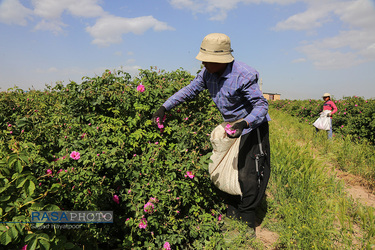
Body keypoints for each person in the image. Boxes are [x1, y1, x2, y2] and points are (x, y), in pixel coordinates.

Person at [152, 33, 271, 236]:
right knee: (228, 168)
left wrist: (245, 123)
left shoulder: (243, 75)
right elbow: (189, 90)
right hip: (230, 127)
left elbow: (261, 105)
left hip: (251, 126)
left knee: (249, 171)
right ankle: (234, 206)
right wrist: (165, 107)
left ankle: (248, 217)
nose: (204, 63)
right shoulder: (207, 74)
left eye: (208, 60)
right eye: (203, 59)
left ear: (222, 60)